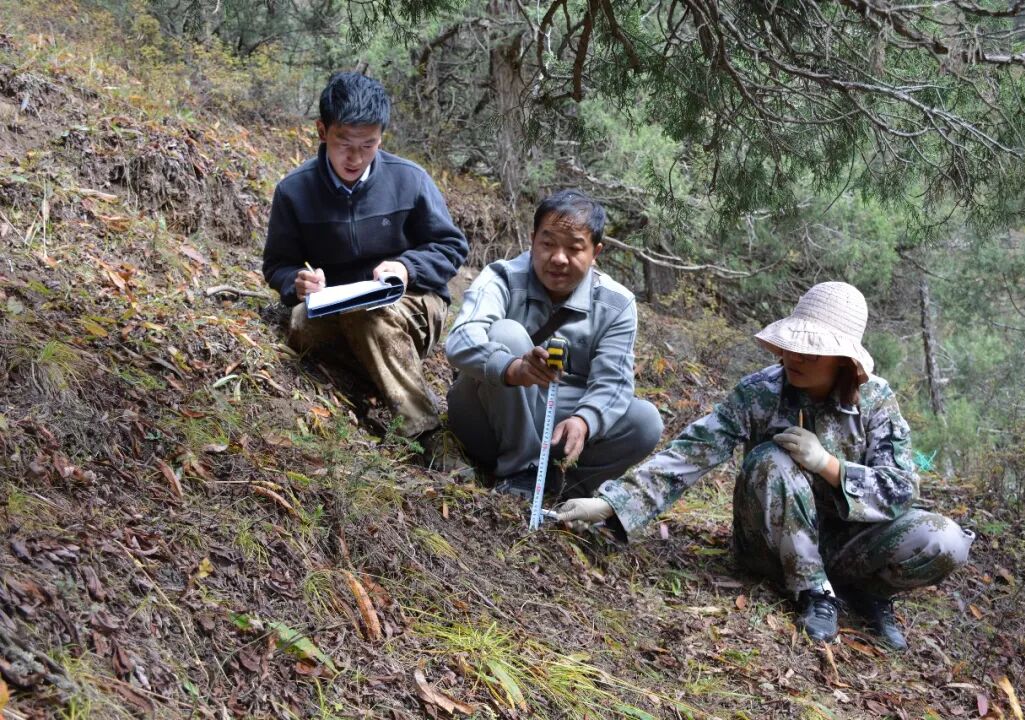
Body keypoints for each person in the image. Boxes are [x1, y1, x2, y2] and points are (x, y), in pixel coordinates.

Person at [555, 282, 973, 650]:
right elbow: (693, 451)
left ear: (842, 359)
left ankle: (867, 590)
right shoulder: (760, 393)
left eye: (812, 351)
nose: (796, 357)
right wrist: (613, 504)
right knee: (774, 459)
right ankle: (814, 592)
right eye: (793, 345)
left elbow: (899, 489)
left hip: (849, 542)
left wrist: (830, 466)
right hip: (771, 543)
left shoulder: (876, 401)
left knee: (945, 539)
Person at [262, 72, 468, 438]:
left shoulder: (410, 180)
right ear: (322, 131)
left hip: (413, 303)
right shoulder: (294, 191)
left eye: (368, 145)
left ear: (381, 138)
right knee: (299, 324)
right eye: (344, 143)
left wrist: (407, 268)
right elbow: (278, 265)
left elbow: (451, 246)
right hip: (336, 307)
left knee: (370, 318)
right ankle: (382, 372)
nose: (355, 157)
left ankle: (425, 433)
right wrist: (297, 282)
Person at [444, 189, 663, 499]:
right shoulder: (502, 277)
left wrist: (585, 420)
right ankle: (519, 471)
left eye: (574, 248)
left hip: (559, 425)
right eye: (548, 244)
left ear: (596, 252)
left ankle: (562, 488)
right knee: (507, 334)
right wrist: (512, 368)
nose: (558, 258)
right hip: (486, 419)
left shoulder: (616, 303)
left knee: (645, 422)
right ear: (532, 240)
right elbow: (461, 338)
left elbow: (613, 382)